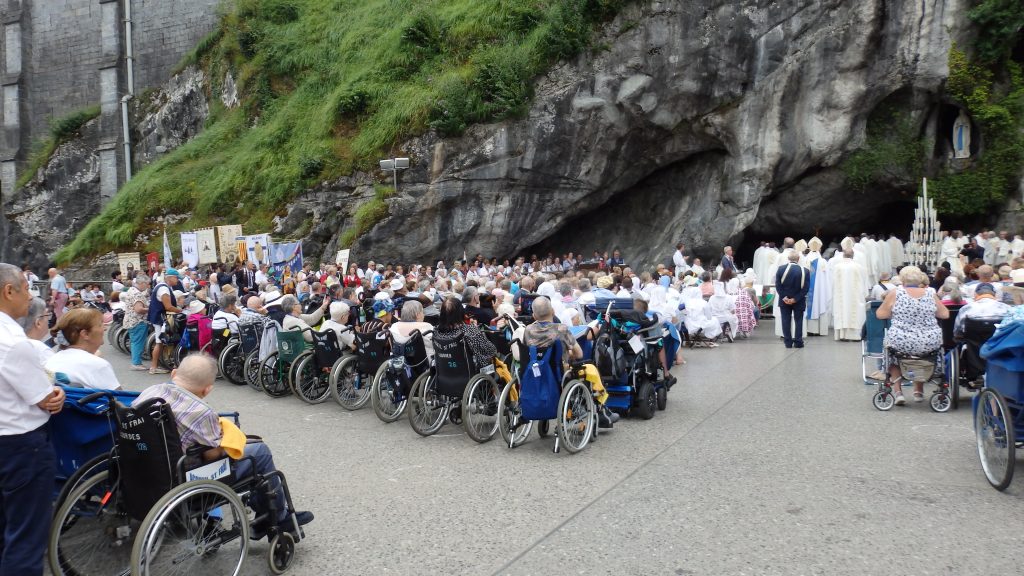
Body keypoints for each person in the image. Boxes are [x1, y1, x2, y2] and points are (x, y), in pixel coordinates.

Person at [133, 355, 313, 535]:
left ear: (174, 373)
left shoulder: (150, 393)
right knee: (259, 451)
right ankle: (278, 519)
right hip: (186, 478)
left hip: (149, 472)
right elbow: (212, 455)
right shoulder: (201, 412)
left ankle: (263, 513)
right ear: (207, 390)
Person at [0, 263, 65, 576]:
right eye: (25, 288)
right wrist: (56, 392)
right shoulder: (15, 343)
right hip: (21, 444)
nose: (30, 295)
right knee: (26, 537)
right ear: (8, 291)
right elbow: (47, 401)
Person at [875, 266, 949, 405]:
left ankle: (898, 392)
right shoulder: (930, 293)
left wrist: (896, 313)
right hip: (929, 341)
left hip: (902, 340)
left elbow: (880, 314)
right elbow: (944, 314)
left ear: (902, 279)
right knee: (922, 356)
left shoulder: (896, 293)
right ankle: (918, 391)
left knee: (892, 354)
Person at [46, 308, 121, 390]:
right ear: (85, 334)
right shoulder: (97, 365)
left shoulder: (53, 360)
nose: (104, 328)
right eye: (100, 325)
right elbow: (121, 399)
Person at [433, 297, 496, 368]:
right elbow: (490, 350)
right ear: (461, 312)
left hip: (445, 370)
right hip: (470, 371)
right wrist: (474, 328)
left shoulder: (436, 331)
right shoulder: (469, 331)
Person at [148, 268, 184, 375]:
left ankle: (156, 365)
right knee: (159, 342)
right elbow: (168, 306)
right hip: (160, 318)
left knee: (160, 342)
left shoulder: (162, 286)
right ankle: (154, 367)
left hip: (157, 316)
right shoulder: (164, 289)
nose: (178, 281)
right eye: (176, 278)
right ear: (171, 278)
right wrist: (181, 310)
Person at [831, 248, 867, 341]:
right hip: (855, 296)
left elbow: (832, 282)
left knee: (842, 312)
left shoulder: (837, 266)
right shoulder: (859, 267)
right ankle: (855, 336)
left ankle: (842, 336)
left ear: (843, 255)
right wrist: (865, 293)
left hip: (840, 296)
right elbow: (864, 281)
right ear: (853, 255)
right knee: (856, 313)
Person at [775, 250, 809, 348]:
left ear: (788, 259)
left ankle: (788, 342)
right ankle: (798, 342)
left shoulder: (781, 269)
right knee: (798, 321)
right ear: (798, 259)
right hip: (799, 300)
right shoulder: (805, 271)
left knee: (785, 320)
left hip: (784, 299)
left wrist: (785, 297)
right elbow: (805, 288)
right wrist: (795, 299)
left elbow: (778, 286)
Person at [121, 274, 151, 370]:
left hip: (131, 320)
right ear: (142, 283)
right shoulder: (137, 294)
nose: (148, 286)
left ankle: (136, 362)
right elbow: (138, 309)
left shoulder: (131, 290)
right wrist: (149, 309)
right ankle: (136, 363)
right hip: (138, 321)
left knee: (135, 342)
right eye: (147, 284)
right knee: (138, 342)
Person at [16, 297, 53, 364]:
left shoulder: (13, 343)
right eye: (47, 315)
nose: (48, 320)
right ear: (38, 322)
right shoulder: (42, 352)